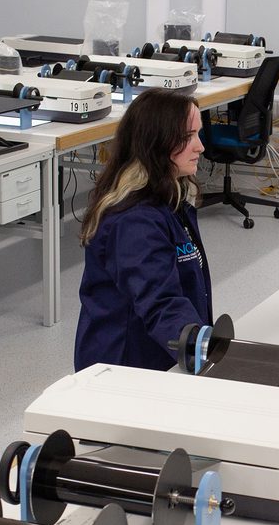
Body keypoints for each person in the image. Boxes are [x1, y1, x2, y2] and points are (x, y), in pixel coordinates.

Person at [74, 88, 210, 372]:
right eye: (188, 137)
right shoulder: (134, 222)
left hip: (158, 354)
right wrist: (203, 348)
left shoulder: (171, 199)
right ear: (157, 143)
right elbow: (160, 300)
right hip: (123, 368)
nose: (200, 147)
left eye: (198, 134)